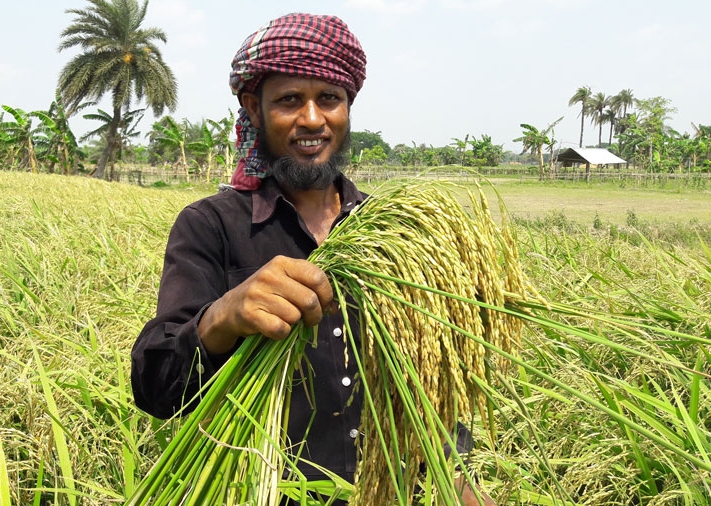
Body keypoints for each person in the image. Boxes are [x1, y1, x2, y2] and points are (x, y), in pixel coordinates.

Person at [131, 13, 495, 505]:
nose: (312, 119)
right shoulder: (211, 227)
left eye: (329, 98)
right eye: (288, 100)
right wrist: (222, 317)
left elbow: (430, 388)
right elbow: (157, 391)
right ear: (253, 110)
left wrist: (458, 485)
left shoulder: (394, 235)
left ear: (347, 108)